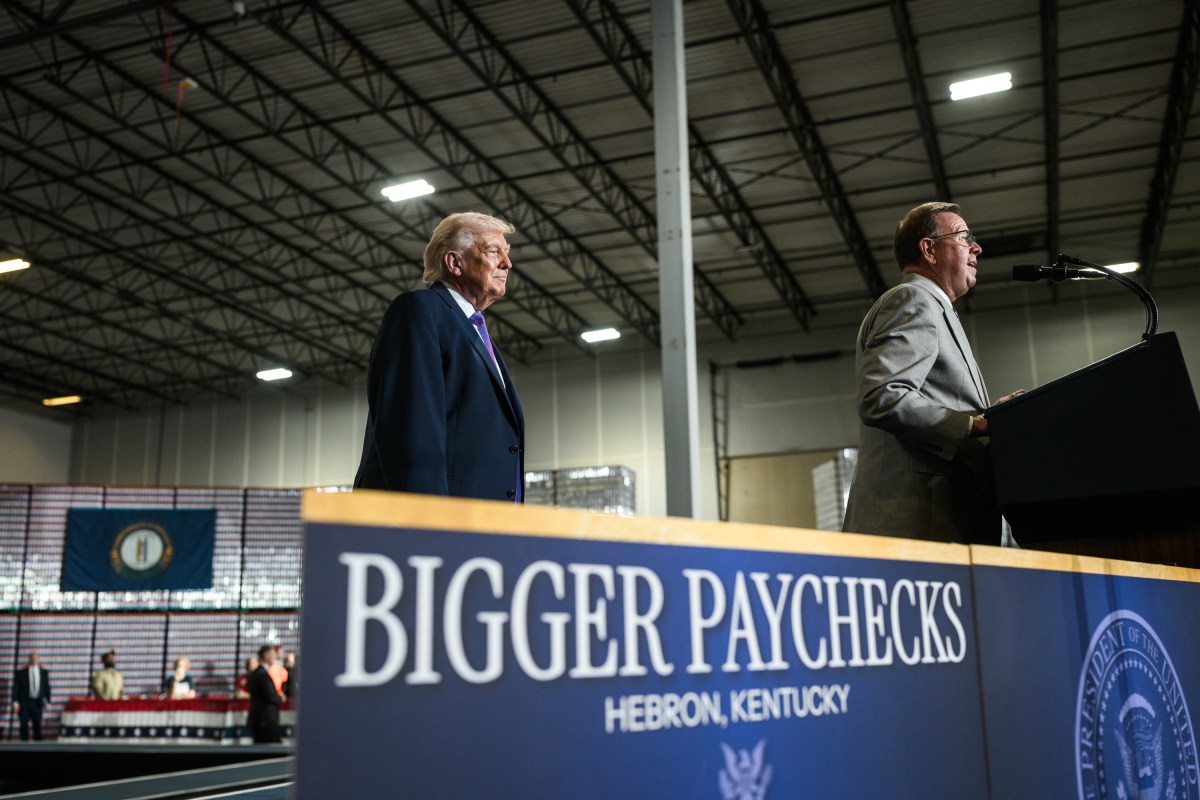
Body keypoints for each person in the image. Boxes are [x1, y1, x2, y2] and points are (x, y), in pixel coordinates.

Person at [843, 202, 1022, 544]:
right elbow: (881, 396)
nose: (977, 247)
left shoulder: (937, 309)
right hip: (914, 527)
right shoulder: (913, 299)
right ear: (929, 249)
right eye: (964, 237)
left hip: (941, 526)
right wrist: (974, 424)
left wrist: (992, 415)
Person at [353, 212, 526, 501]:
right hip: (440, 523)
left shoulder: (476, 332)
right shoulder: (420, 310)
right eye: (494, 251)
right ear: (454, 262)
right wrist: (431, 524)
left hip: (488, 526)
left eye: (506, 253)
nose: (507, 263)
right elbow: (410, 430)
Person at [11, 652, 50, 741]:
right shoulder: (21, 672)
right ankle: (24, 746)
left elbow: (46, 687)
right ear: (29, 659)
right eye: (32, 658)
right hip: (24, 702)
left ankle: (38, 747)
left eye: (36, 658)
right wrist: (15, 702)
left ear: (38, 659)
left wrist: (47, 700)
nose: (34, 660)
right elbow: (16, 688)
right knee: (24, 724)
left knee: (37, 724)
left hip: (37, 702)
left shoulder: (44, 672)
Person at [247, 644, 282, 743]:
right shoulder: (262, 675)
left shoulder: (256, 673)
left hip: (260, 720)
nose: (276, 657)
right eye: (273, 654)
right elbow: (270, 695)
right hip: (266, 721)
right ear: (266, 655)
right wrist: (280, 698)